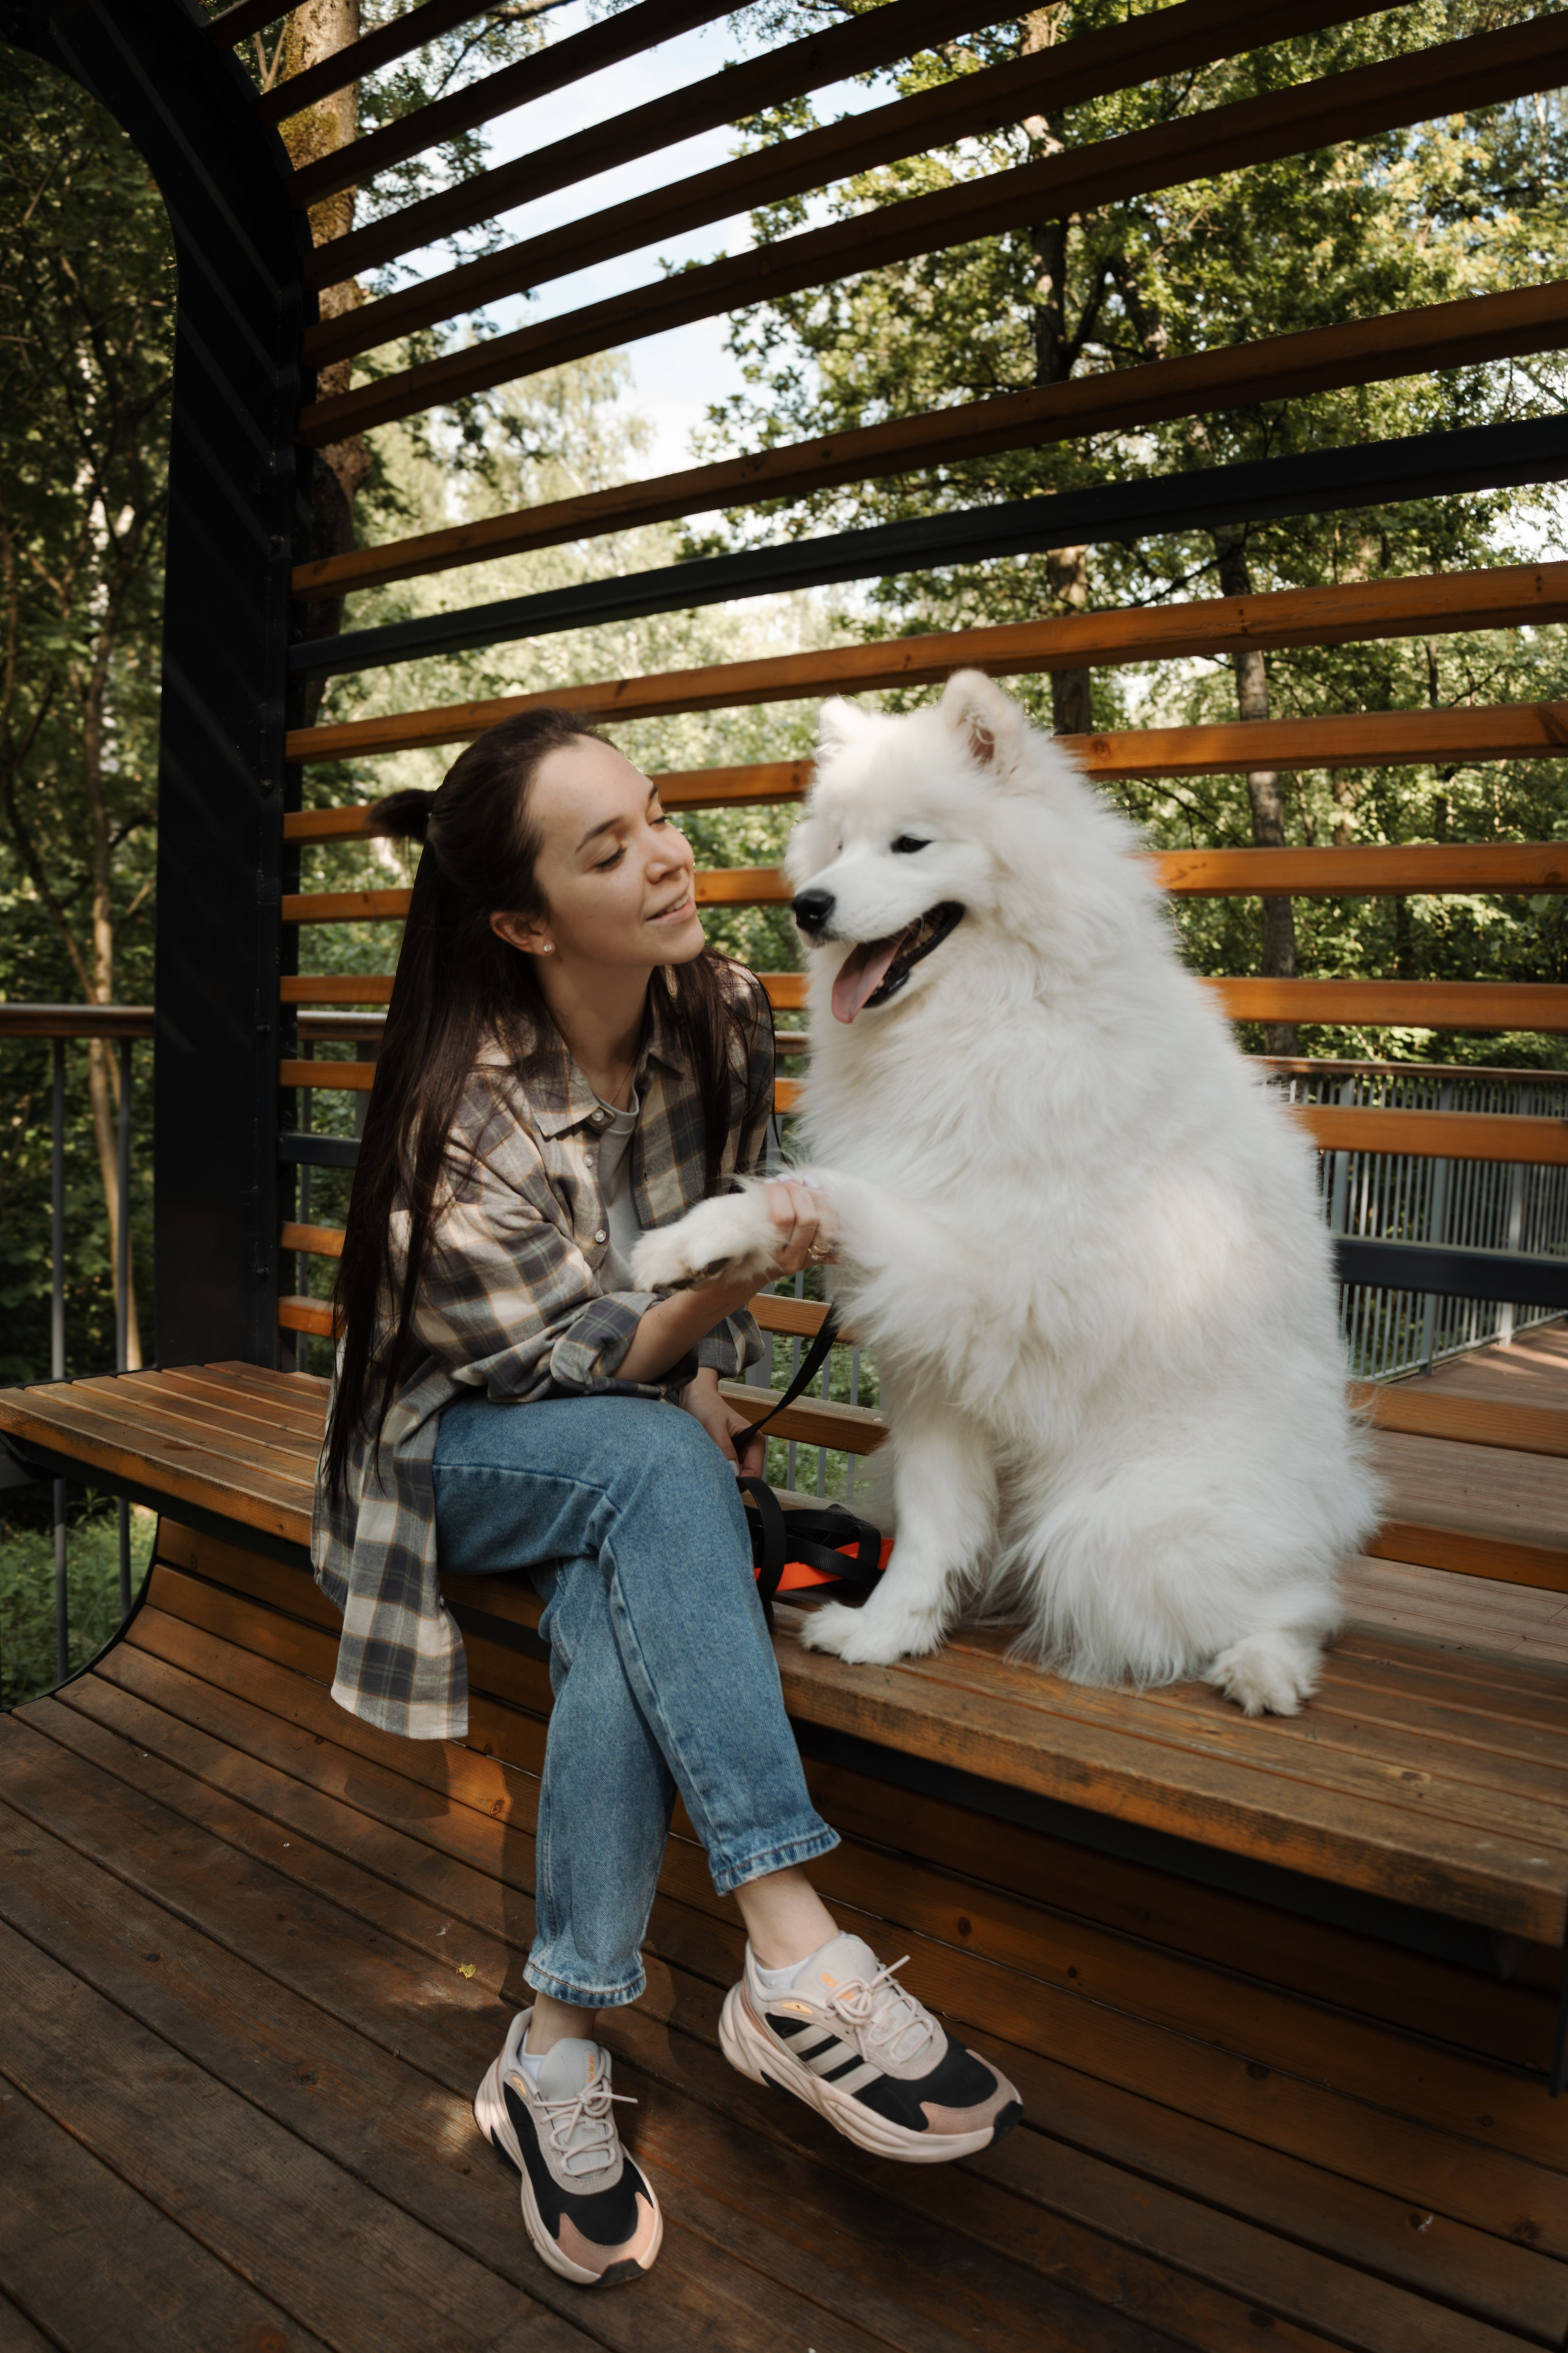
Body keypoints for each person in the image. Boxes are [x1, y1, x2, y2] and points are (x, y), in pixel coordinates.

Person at [313, 709, 1021, 2290]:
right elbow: (579, 1362)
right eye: (607, 847)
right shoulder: (461, 1123)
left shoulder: (727, 1006)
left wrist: (699, 1360)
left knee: (620, 1587)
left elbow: (673, 1312)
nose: (666, 853)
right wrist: (723, 1315)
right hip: (460, 1452)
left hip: (626, 1431)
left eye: (658, 812)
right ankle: (791, 1944)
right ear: (521, 920)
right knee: (644, 1466)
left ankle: (554, 2043)